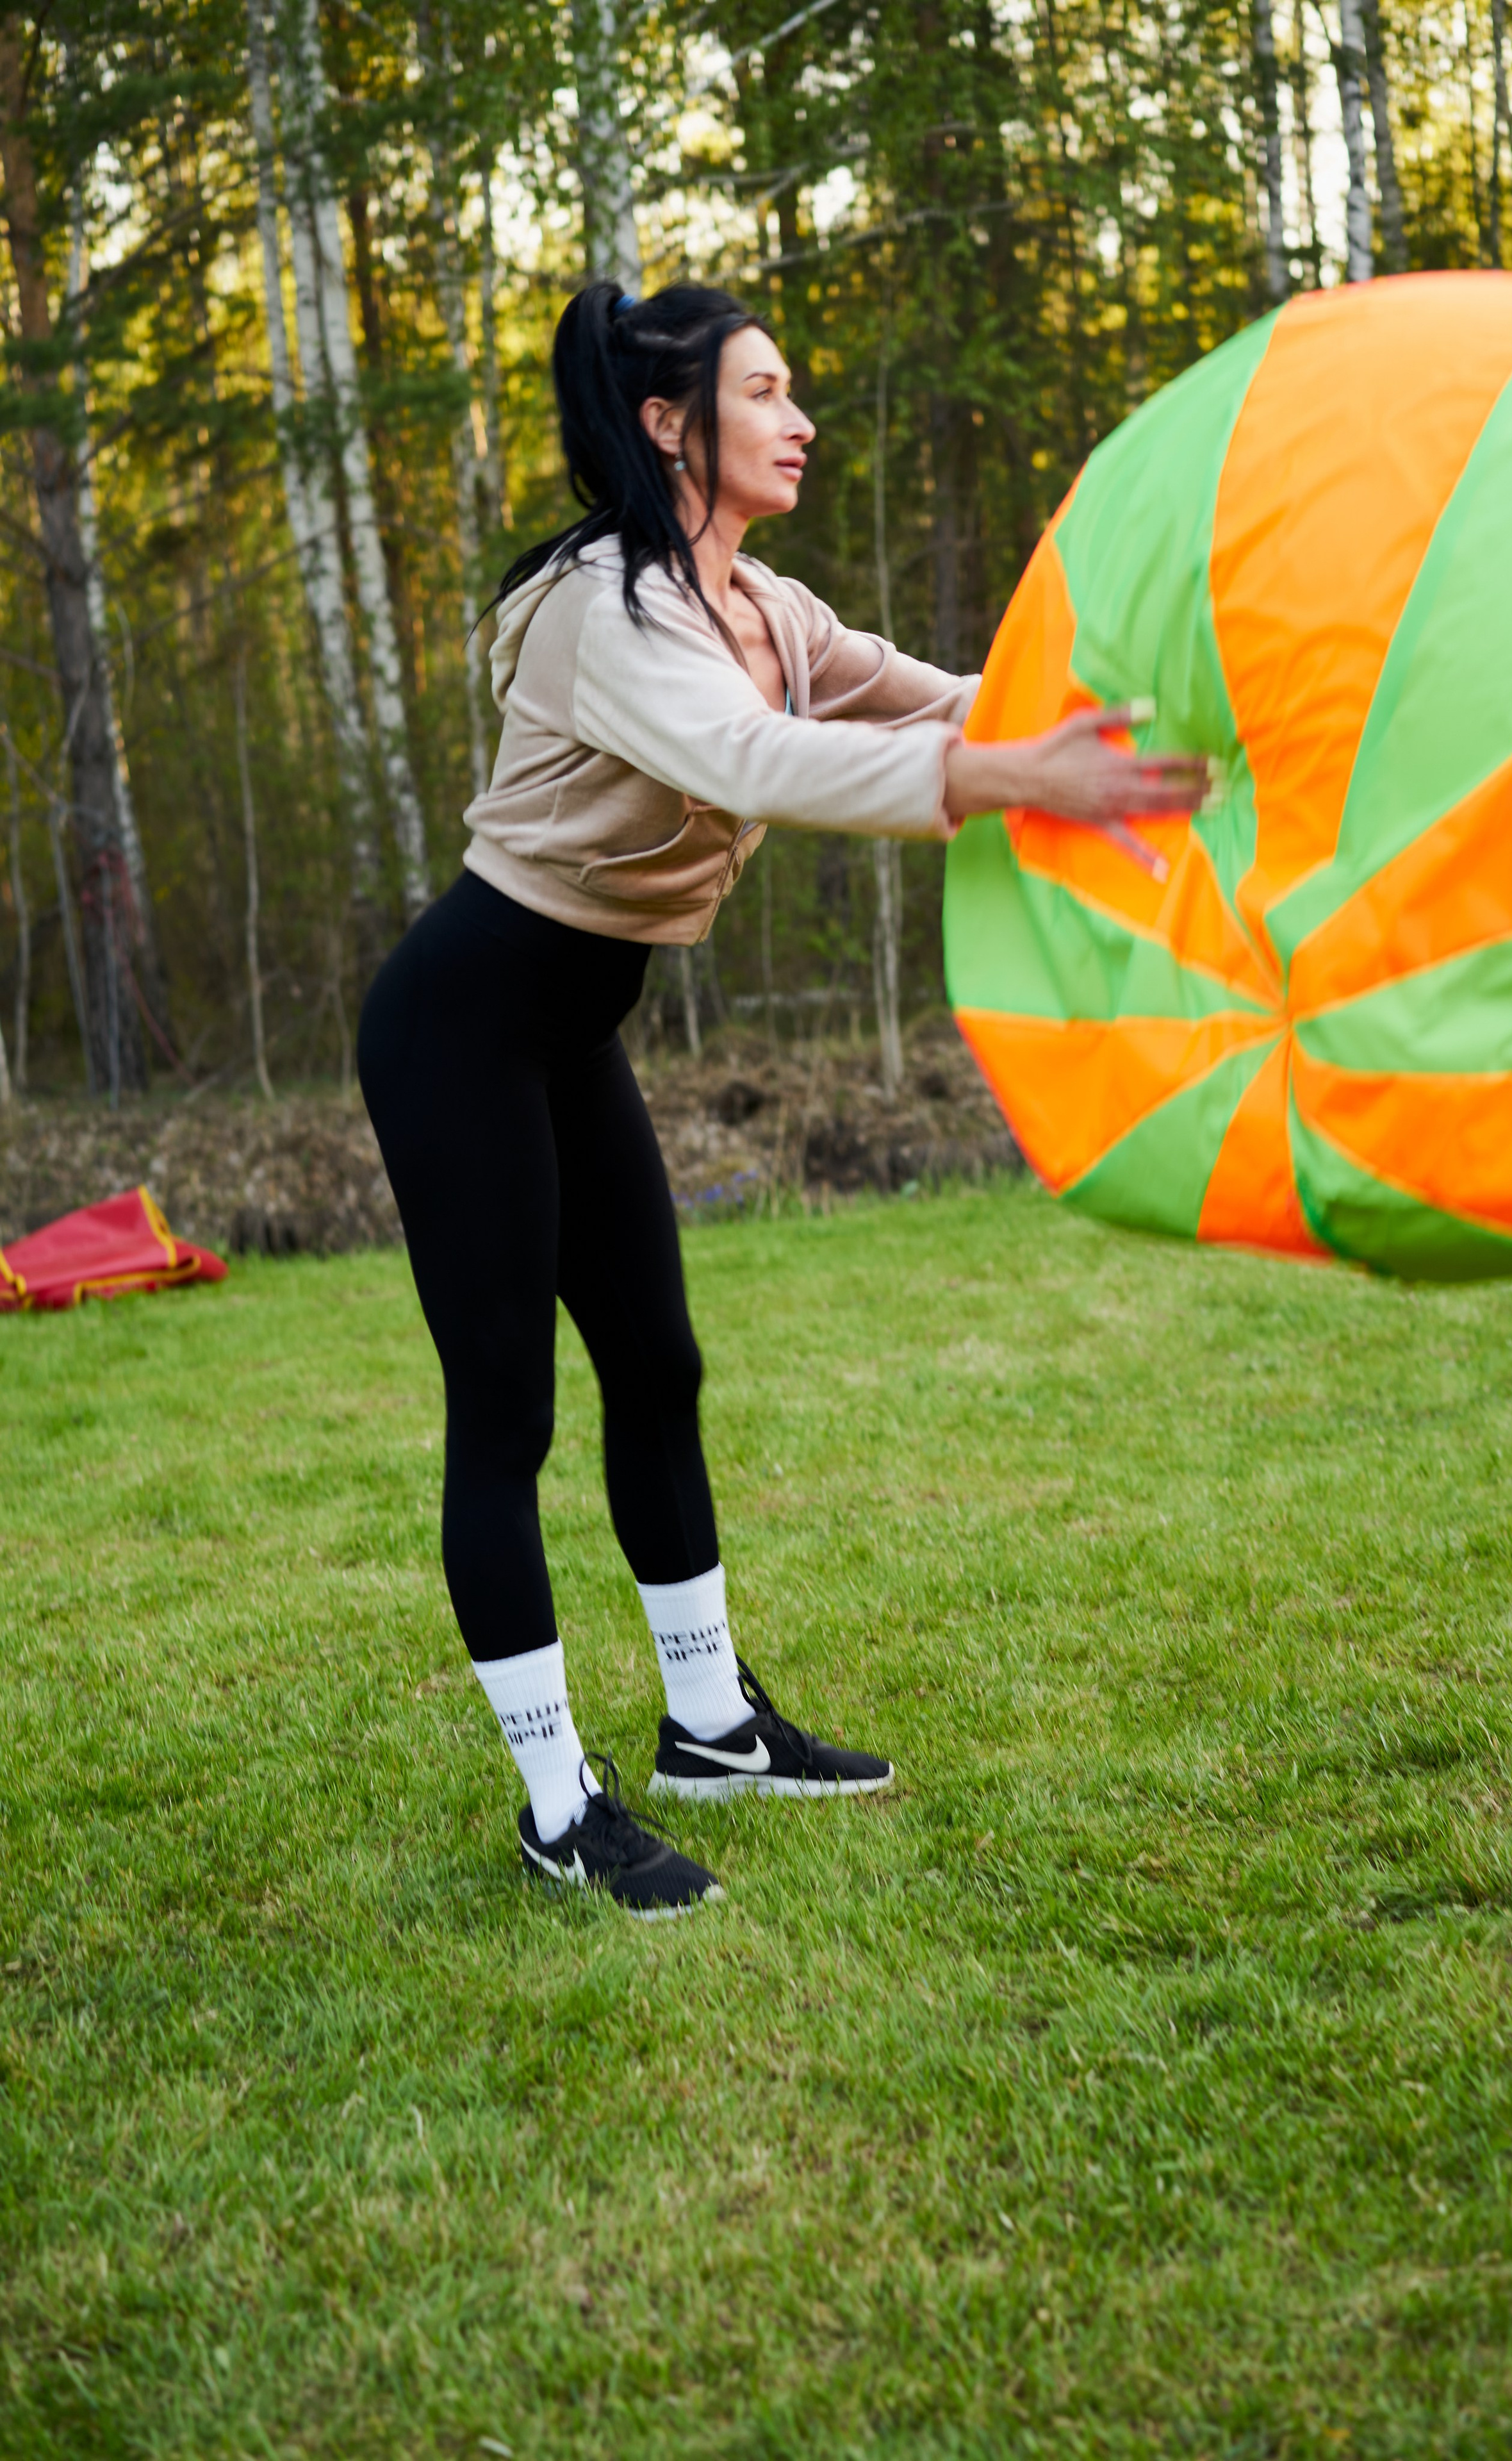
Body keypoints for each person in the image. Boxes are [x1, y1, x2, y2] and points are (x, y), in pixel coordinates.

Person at [357, 282, 1206, 1919]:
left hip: (571, 1027)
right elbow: (760, 765)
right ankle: (554, 1804)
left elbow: (944, 697)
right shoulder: (605, 610)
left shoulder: (767, 606)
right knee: (507, 1416)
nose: (798, 418)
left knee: (659, 1367)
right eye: (764, 392)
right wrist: (1014, 786)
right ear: (670, 423)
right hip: (459, 1028)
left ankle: (708, 1727)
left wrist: (1118, 734)